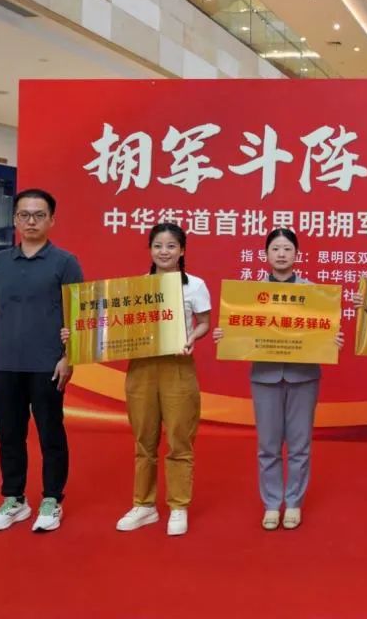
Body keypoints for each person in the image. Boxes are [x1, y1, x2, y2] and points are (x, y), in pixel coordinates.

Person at [212, 228, 343, 531]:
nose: (281, 254)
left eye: (287, 249)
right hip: (265, 376)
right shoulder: (249, 294)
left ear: (297, 254)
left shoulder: (314, 293)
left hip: (303, 377)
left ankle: (293, 502)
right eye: (275, 249)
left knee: (299, 444)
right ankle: (272, 504)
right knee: (268, 445)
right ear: (266, 255)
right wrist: (225, 334)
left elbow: (324, 331)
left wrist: (331, 340)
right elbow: (240, 331)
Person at [0, 188, 83, 533]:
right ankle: (14, 499)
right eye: (24, 215)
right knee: (9, 435)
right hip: (5, 362)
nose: (31, 221)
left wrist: (68, 357)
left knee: (51, 433)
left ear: (52, 220)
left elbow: (77, 316)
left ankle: (52, 499)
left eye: (39, 215)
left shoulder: (65, 262)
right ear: (14, 220)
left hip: (47, 364)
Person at [114, 223, 211, 536]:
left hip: (178, 366)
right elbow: (120, 326)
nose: (164, 252)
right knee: (144, 439)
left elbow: (204, 322)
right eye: (158, 246)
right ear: (150, 249)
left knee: (180, 437)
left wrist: (192, 337)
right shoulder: (136, 287)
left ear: (182, 250)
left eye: (171, 246)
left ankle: (178, 506)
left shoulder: (195, 285)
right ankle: (144, 505)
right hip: (141, 367)